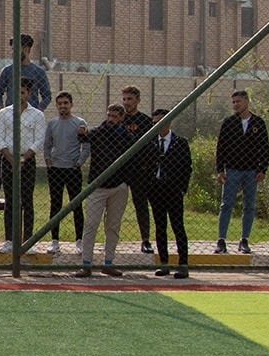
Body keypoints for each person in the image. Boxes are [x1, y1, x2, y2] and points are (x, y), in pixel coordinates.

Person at [77, 103, 133, 276]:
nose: (110, 119)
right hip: (97, 186)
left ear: (122, 117)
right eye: (109, 115)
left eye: (115, 116)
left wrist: (125, 182)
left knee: (113, 226)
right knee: (91, 225)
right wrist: (82, 133)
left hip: (118, 186)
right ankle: (86, 264)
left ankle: (108, 262)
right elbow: (84, 138)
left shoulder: (126, 136)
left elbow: (134, 152)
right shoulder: (98, 132)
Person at [214, 89, 269, 255]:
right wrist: (220, 169)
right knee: (226, 204)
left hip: (251, 171)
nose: (235, 105)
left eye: (238, 101)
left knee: (249, 206)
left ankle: (244, 240)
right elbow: (221, 147)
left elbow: (264, 147)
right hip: (232, 170)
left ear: (246, 102)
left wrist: (263, 169)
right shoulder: (229, 123)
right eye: (233, 102)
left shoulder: (258, 123)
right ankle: (221, 240)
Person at [0, 79, 45, 253]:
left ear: (29, 94)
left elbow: (39, 140)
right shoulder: (4, 113)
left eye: (23, 92)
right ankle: (9, 240)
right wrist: (11, 158)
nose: (19, 96)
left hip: (27, 162)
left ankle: (27, 241)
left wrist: (23, 159)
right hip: (8, 160)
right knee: (10, 201)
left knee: (27, 200)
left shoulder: (37, 115)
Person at [148, 108, 193, 278]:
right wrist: (149, 187)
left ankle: (183, 264)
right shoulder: (150, 142)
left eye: (161, 121)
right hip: (156, 189)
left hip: (173, 190)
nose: (157, 125)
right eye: (154, 123)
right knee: (160, 226)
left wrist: (182, 188)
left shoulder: (180, 142)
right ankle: (163, 263)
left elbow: (186, 167)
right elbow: (144, 165)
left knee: (177, 226)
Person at [42, 91, 88, 254]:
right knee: (55, 204)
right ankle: (54, 241)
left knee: (76, 205)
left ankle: (80, 241)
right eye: (60, 103)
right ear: (56, 106)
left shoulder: (79, 122)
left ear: (71, 105)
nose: (63, 106)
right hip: (56, 169)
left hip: (72, 170)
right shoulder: (52, 123)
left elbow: (86, 145)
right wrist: (48, 161)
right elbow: (47, 144)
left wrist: (79, 162)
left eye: (66, 103)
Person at [118, 86, 156, 254]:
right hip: (119, 169)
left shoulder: (145, 121)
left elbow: (151, 146)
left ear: (138, 100)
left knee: (141, 204)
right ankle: (111, 239)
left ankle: (145, 240)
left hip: (139, 170)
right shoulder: (118, 119)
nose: (126, 102)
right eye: (124, 99)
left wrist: (146, 165)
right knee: (113, 205)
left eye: (130, 99)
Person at [0, 34, 51, 113]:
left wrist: (38, 111)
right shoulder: (7, 71)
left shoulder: (38, 72)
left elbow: (47, 95)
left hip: (30, 114)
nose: (13, 53)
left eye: (16, 49)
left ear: (26, 49)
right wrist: (3, 111)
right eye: (12, 49)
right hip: (12, 113)